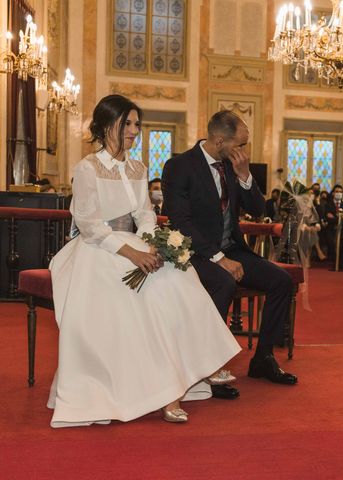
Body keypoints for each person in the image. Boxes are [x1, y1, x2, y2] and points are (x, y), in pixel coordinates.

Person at [47, 94, 241, 427]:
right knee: (147, 298)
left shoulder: (138, 168)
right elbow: (90, 226)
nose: (135, 131)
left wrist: (153, 244)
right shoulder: (87, 167)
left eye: (137, 124)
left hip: (135, 243)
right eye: (128, 124)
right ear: (108, 124)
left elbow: (145, 213)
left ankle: (202, 364)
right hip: (97, 251)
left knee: (181, 278)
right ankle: (167, 393)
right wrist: (133, 254)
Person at [163, 110, 297, 386]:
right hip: (195, 252)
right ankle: (208, 369)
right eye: (241, 145)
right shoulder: (180, 166)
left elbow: (258, 210)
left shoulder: (232, 165)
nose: (244, 152)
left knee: (282, 282)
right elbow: (181, 221)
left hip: (231, 248)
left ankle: (263, 358)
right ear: (220, 140)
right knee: (223, 283)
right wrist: (219, 258)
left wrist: (245, 176)